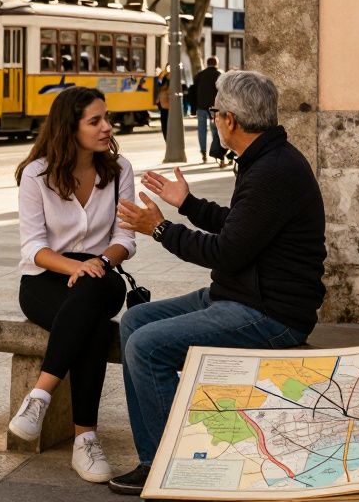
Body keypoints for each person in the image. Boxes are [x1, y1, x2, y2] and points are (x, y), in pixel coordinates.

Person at [109, 71, 327, 495]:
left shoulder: (273, 171)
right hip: (239, 294)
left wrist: (159, 229)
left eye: (214, 112)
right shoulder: (265, 160)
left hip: (271, 313)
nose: (214, 119)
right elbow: (240, 227)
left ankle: (175, 464)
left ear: (228, 120)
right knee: (135, 322)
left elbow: (226, 252)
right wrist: (187, 204)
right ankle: (155, 456)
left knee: (146, 346)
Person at [10, 86, 135, 484]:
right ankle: (86, 440)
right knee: (92, 325)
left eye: (106, 118)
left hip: (102, 275)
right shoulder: (37, 174)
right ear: (70, 126)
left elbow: (126, 240)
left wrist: (97, 263)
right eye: (95, 121)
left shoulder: (120, 170)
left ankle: (40, 394)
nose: (107, 127)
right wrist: (73, 268)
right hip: (44, 281)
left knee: (93, 292)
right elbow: (33, 248)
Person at [190, 56, 225, 166]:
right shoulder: (219, 75)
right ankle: (217, 154)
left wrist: (193, 108)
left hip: (201, 107)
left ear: (207, 63)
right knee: (216, 131)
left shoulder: (199, 75)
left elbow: (192, 92)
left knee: (202, 130)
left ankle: (203, 153)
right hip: (214, 108)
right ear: (216, 64)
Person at [153, 65, 171, 139]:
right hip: (168, 111)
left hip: (164, 110)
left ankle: (168, 143)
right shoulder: (168, 90)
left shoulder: (161, 90)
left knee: (165, 130)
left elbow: (157, 101)